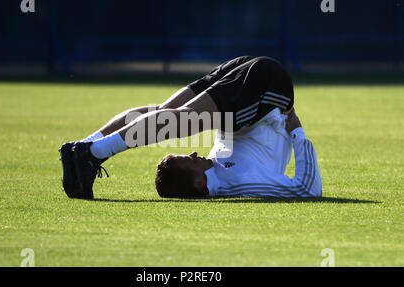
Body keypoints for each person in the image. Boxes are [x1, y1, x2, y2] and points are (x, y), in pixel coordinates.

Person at [59, 56, 322, 199]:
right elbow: (307, 189)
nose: (195, 154)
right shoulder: (239, 183)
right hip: (269, 90)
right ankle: (91, 153)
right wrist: (298, 133)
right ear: (198, 183)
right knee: (179, 120)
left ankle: (84, 147)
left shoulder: (215, 168)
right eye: (189, 160)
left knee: (163, 112)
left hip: (251, 86)